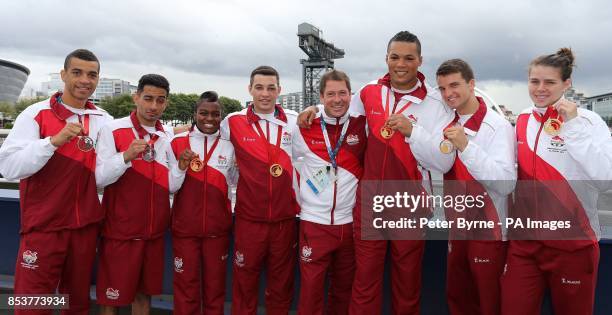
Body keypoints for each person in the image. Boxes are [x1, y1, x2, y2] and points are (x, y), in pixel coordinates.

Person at [299, 31, 455, 314]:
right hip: (370, 204)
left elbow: (443, 163)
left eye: (409, 58)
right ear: (386, 59)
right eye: (395, 57)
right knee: (364, 283)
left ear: (420, 61)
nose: (401, 64)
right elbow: (342, 110)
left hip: (410, 205)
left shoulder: (435, 103)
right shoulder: (370, 92)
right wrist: (315, 108)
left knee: (407, 286)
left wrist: (414, 133)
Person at [0, 49, 112, 315]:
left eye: (91, 74)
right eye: (77, 72)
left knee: (76, 304)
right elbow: (9, 167)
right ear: (63, 75)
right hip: (44, 228)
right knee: (32, 305)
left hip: (84, 228)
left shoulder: (103, 120)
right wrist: (52, 142)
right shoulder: (35, 114)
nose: (85, 80)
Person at [501, 48, 612, 315]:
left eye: (549, 82)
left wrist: (572, 126)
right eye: (534, 81)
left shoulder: (588, 121)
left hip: (572, 246)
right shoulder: (523, 119)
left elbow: (605, 179)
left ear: (566, 84)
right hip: (525, 244)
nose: (540, 89)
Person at [95, 74, 189, 314]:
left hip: (154, 233)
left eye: (160, 100)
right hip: (120, 232)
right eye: (148, 98)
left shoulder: (167, 136)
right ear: (136, 97)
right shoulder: (112, 129)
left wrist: (180, 168)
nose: (153, 106)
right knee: (112, 297)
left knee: (143, 296)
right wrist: (125, 157)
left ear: (166, 103)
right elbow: (99, 179)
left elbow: (171, 186)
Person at [435, 59, 516, 315]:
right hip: (457, 230)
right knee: (458, 298)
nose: (449, 93)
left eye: (454, 85)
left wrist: (466, 147)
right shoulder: (447, 121)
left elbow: (505, 183)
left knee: (487, 302)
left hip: (488, 232)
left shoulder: (497, 125)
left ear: (472, 84)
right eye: (442, 88)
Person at [220, 66, 299, 314]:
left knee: (281, 286)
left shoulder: (296, 121)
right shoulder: (232, 121)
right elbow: (208, 141)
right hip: (249, 220)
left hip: (285, 220)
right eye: (259, 87)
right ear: (250, 89)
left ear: (279, 90)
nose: (265, 94)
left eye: (271, 88)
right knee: (244, 284)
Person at [292, 70, 367, 314]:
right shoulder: (304, 126)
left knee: (344, 291)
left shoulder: (361, 125)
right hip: (314, 224)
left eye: (343, 93)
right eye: (331, 94)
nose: (337, 99)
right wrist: (303, 198)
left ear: (350, 94)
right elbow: (289, 165)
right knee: (311, 293)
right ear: (321, 97)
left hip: (349, 224)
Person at [169, 91, 236, 314]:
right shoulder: (177, 142)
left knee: (215, 290)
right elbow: (170, 186)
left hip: (218, 230)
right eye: (204, 113)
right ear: (195, 113)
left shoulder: (230, 144)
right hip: (185, 229)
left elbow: (234, 182)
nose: (209, 118)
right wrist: (180, 167)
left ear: (221, 116)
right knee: (185, 288)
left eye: (215, 114)